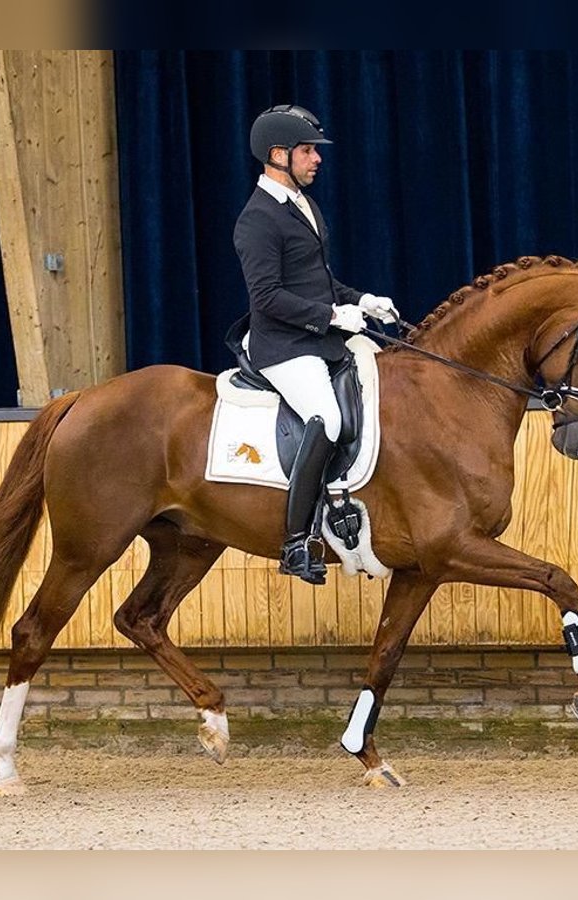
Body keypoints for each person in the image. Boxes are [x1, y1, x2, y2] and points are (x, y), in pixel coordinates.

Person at [233, 104, 398, 585]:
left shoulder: (302, 204)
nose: (316, 159)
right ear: (277, 154)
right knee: (326, 420)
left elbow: (316, 282)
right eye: (307, 151)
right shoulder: (257, 219)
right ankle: (295, 542)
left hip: (321, 337)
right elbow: (266, 298)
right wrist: (329, 315)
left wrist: (360, 300)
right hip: (283, 346)